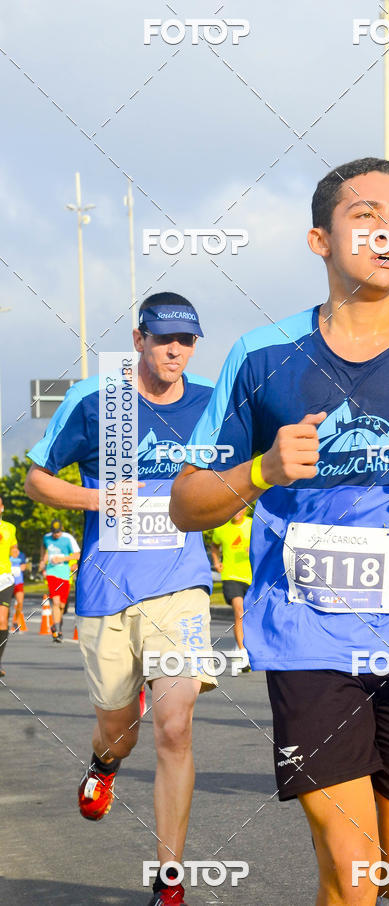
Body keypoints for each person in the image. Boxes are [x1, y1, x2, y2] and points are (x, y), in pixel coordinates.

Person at [171, 158, 389, 906]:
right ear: (318, 240)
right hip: (308, 638)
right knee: (354, 872)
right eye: (366, 217)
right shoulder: (260, 357)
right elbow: (188, 501)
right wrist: (261, 470)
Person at [26, 292, 217, 906]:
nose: (175, 351)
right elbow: (37, 478)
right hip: (106, 589)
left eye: (186, 340)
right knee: (119, 725)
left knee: (176, 726)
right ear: (139, 339)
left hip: (181, 586)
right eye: (163, 338)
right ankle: (103, 766)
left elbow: (245, 475)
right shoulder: (94, 402)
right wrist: (99, 500)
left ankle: (170, 880)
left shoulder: (212, 404)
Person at [210, 507, 253, 669]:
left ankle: (240, 646)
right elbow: (215, 546)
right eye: (234, 509)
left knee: (249, 616)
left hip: (251, 577)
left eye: (241, 509)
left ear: (245, 510)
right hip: (231, 576)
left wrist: (254, 549)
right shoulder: (222, 527)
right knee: (239, 612)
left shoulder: (252, 525)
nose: (237, 512)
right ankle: (243, 654)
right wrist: (216, 561)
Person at [40, 519, 80, 641]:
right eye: (54, 532)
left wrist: (62, 559)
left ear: (61, 530)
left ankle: (57, 626)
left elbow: (77, 555)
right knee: (56, 602)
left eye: (57, 532)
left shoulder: (68, 539)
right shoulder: (46, 538)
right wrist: (42, 560)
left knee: (62, 605)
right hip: (51, 573)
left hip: (65, 575)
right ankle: (57, 630)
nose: (55, 534)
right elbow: (43, 548)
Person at [0, 497, 18, 678]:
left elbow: (14, 546)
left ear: (2, 508)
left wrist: (15, 552)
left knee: (2, 621)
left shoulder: (9, 528)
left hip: (4, 578)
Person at [9, 543, 27, 631]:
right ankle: (4, 619)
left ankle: (15, 621)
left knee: (20, 602)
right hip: (7, 582)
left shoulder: (21, 555)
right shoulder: (6, 554)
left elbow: (23, 567)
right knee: (5, 604)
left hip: (18, 582)